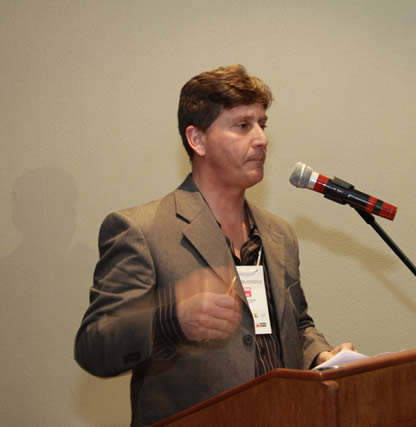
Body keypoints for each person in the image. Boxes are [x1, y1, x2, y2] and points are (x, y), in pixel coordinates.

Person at [74, 64, 354, 426]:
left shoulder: (279, 234)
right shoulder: (141, 231)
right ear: (197, 140)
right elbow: (94, 347)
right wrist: (171, 319)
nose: (262, 139)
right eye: (243, 125)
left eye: (262, 124)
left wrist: (321, 356)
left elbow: (296, 326)